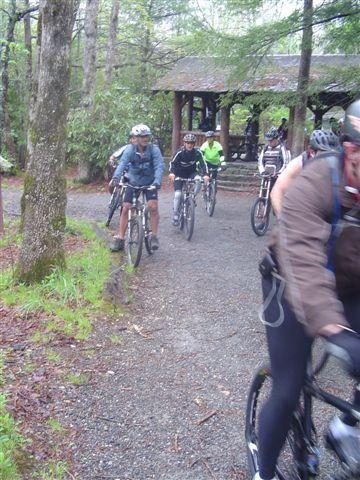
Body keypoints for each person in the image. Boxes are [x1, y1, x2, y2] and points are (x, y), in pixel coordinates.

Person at [254, 99, 360, 480]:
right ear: (351, 151)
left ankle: (346, 426)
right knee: (288, 387)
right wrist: (333, 329)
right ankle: (263, 471)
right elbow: (301, 261)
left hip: (349, 285)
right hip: (289, 281)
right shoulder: (315, 182)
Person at [110, 124, 164, 252]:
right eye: (141, 136)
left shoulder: (154, 149)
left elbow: (159, 166)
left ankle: (154, 236)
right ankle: (120, 239)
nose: (145, 138)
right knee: (125, 208)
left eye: (146, 136)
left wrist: (157, 181)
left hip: (150, 181)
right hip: (133, 181)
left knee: (153, 207)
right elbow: (122, 164)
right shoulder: (130, 149)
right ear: (136, 138)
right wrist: (116, 178)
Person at [270, 129, 340, 215]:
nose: (330, 160)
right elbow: (277, 191)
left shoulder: (340, 163)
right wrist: (281, 219)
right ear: (312, 152)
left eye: (333, 155)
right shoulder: (299, 163)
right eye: (324, 155)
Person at [169, 133, 209, 226]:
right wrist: (171, 173)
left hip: (191, 173)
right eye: (187, 143)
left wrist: (206, 174)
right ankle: (175, 213)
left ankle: (193, 196)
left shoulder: (197, 152)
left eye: (191, 143)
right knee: (178, 194)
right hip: (179, 174)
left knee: (199, 179)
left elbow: (203, 163)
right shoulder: (179, 152)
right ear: (184, 143)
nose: (189, 145)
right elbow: (172, 163)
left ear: (194, 144)